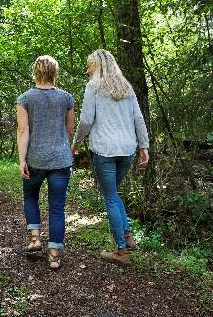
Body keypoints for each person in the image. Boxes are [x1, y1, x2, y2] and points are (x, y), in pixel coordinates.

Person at [72, 49, 149, 266]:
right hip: (127, 150)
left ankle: (121, 251)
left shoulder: (94, 87)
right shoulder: (127, 88)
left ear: (98, 65)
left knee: (110, 197)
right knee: (113, 194)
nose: (87, 70)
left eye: (89, 65)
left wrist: (76, 142)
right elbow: (138, 119)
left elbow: (86, 120)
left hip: (105, 150)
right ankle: (127, 235)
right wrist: (144, 145)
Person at [16, 55, 75, 271]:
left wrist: (22, 159)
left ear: (35, 72)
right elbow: (69, 130)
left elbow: (23, 131)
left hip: (35, 160)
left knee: (30, 197)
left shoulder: (25, 99)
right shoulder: (67, 98)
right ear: (55, 73)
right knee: (57, 207)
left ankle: (35, 239)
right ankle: (54, 255)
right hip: (60, 160)